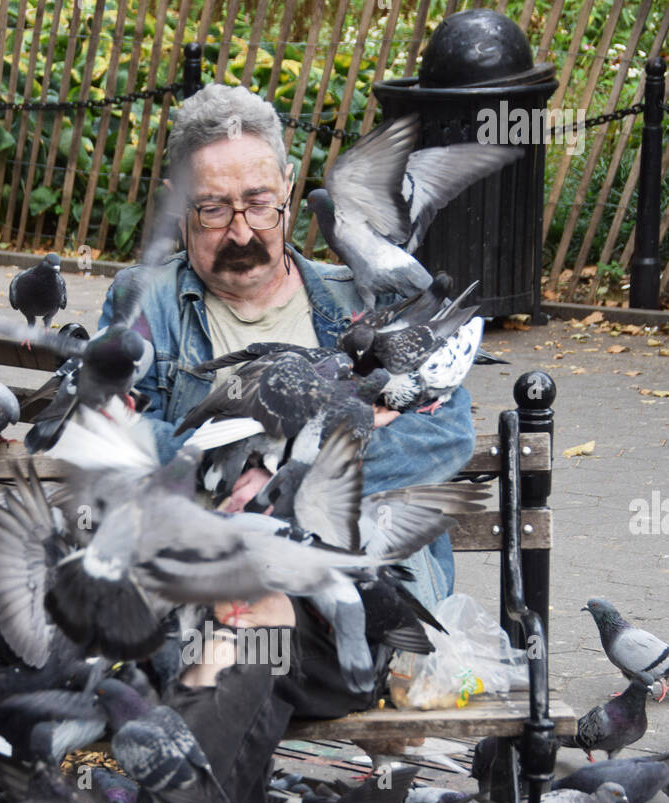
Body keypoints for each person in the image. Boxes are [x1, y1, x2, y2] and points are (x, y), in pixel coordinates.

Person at [98, 81, 476, 612]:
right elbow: (110, 434)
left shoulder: (361, 301)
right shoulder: (143, 303)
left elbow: (445, 433)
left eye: (258, 204)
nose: (241, 231)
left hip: (371, 599)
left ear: (288, 188)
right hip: (217, 590)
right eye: (211, 209)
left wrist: (284, 485)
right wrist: (238, 463)